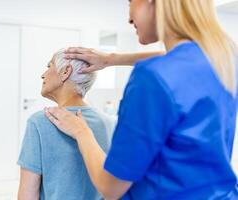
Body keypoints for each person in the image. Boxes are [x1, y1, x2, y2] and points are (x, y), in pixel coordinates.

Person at [44, 0, 238, 199]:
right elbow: (174, 58)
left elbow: (111, 187)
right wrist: (112, 59)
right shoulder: (225, 59)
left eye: (130, 3)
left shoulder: (151, 77)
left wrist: (81, 131)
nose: (129, 17)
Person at [17, 49, 116, 200]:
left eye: (49, 66)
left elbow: (28, 194)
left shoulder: (40, 122)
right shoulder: (109, 122)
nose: (43, 75)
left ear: (65, 72)